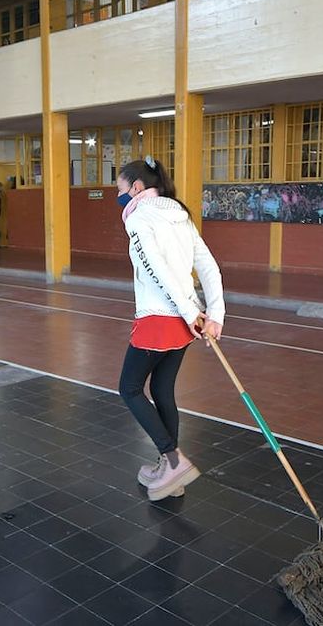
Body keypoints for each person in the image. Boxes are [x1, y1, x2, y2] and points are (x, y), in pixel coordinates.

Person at [117, 155, 225, 502]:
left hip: (160, 318)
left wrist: (192, 310)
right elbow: (208, 266)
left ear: (136, 187)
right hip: (184, 321)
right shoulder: (181, 215)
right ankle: (171, 473)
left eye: (120, 189)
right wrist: (213, 314)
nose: (118, 197)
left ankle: (174, 459)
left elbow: (155, 268)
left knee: (130, 389)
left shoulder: (140, 217)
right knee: (162, 390)